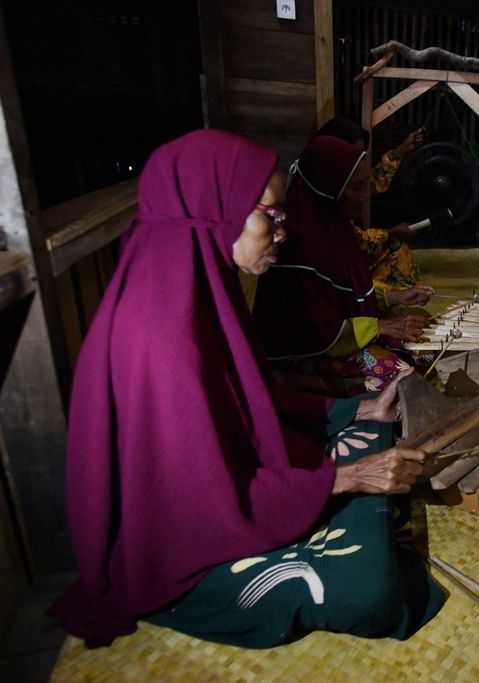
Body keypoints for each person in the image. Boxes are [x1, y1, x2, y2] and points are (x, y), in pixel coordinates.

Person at [49, 129, 444, 648]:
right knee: (369, 591)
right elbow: (196, 502)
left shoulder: (200, 281)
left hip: (222, 487)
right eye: (271, 216)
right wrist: (346, 480)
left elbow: (251, 402)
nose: (283, 231)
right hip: (171, 546)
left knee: (373, 429)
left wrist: (352, 410)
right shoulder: (160, 335)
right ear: (216, 210)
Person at [253, 135, 432, 392]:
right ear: (329, 189)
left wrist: (395, 297)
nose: (363, 196)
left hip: (343, 334)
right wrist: (381, 326)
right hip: (305, 352)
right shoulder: (298, 246)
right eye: (356, 187)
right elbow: (314, 329)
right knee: (403, 377)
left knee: (426, 341)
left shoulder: (337, 229)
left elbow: (347, 290)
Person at [315, 117, 427, 290]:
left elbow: (372, 183)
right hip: (329, 272)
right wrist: (391, 233)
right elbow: (351, 242)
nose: (363, 196)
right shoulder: (319, 189)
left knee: (398, 251)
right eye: (353, 154)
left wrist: (401, 150)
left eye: (361, 156)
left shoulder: (345, 179)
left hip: (352, 251)